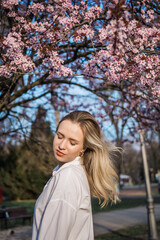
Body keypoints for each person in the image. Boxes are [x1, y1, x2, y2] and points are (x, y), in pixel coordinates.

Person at [32, 110, 119, 240]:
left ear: (83, 148)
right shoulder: (72, 173)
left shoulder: (68, 177)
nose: (61, 146)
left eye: (72, 143)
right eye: (60, 136)